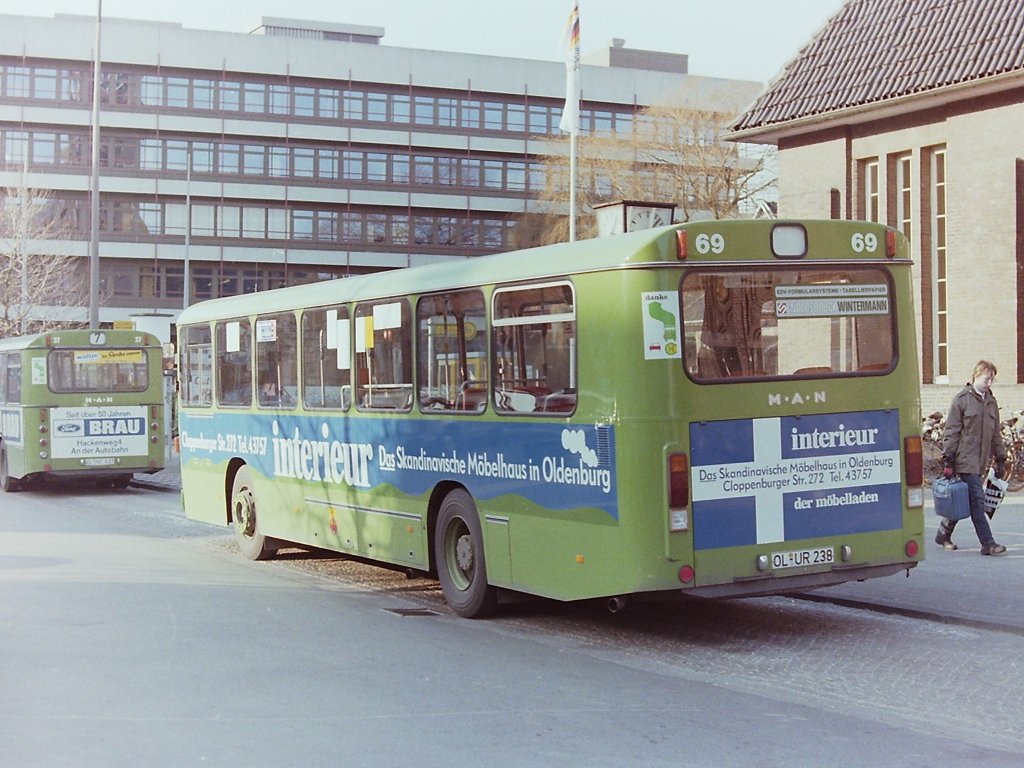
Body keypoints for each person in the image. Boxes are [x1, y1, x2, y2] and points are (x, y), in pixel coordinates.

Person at [936, 360, 1008, 555]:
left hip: (980, 461)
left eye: (992, 379)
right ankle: (988, 543)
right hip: (965, 459)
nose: (990, 383)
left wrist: (1001, 458)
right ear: (976, 376)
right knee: (977, 500)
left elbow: (995, 434)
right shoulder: (962, 399)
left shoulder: (991, 402)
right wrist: (948, 458)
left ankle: (943, 534)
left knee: (964, 500)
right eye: (987, 378)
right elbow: (952, 431)